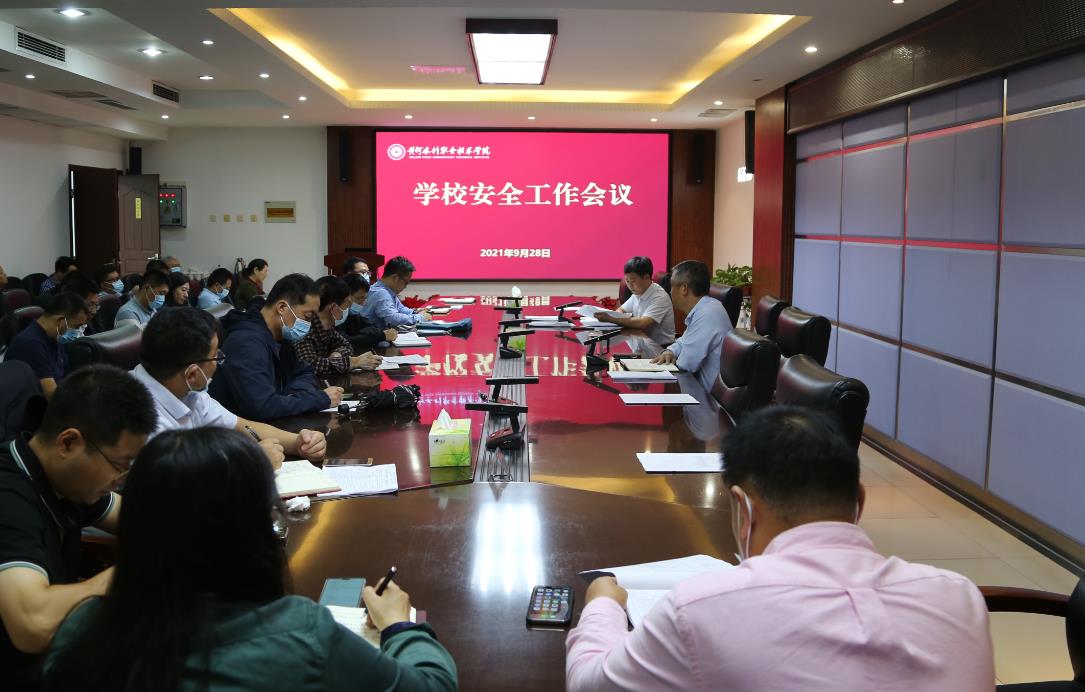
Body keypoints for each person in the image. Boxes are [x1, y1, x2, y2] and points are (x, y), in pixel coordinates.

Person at [565, 405, 994, 691]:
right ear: (859, 502)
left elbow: (588, 683)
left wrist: (604, 603)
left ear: (742, 509)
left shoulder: (698, 609)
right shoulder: (960, 598)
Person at [41, 427, 458, 692]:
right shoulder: (301, 635)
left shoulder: (81, 630)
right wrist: (400, 626)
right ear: (253, 529)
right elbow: (433, 685)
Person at [0, 365, 156, 692]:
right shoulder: (9, 497)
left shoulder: (64, 477)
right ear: (69, 442)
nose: (120, 480)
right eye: (119, 466)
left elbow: (140, 519)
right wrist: (137, 570)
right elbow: (32, 624)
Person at [132, 307, 327, 469]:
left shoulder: (185, 387)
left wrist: (300, 442)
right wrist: (251, 463)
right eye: (216, 356)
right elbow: (175, 488)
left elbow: (241, 426)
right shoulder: (138, 418)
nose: (219, 362)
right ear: (192, 374)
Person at [209, 273, 344, 421]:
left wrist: (293, 396)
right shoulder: (245, 343)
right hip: (244, 430)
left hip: (274, 421)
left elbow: (305, 371)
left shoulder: (279, 335)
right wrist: (319, 399)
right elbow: (263, 406)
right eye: (307, 316)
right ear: (282, 308)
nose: (309, 324)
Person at [651, 260, 731, 393]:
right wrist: (670, 351)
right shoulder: (704, 308)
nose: (670, 292)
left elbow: (686, 364)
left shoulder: (707, 314)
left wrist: (675, 356)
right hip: (694, 390)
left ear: (684, 289)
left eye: (672, 287)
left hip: (704, 398)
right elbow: (683, 341)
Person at [296, 276, 383, 378]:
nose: (347, 309)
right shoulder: (305, 329)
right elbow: (311, 366)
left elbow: (347, 345)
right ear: (333, 307)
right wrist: (354, 362)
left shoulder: (327, 327)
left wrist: (337, 354)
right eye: (346, 305)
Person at [5, 293, 87, 398]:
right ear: (60, 321)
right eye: (76, 326)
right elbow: (51, 395)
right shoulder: (31, 344)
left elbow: (67, 377)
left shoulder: (54, 338)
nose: (78, 331)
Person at [595, 256, 675, 354]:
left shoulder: (659, 297)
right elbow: (621, 310)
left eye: (633, 281)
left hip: (661, 350)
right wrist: (615, 316)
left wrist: (611, 318)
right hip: (642, 341)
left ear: (646, 277)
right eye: (627, 281)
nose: (629, 285)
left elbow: (642, 323)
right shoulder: (638, 292)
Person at [361, 256, 431, 329]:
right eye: (405, 282)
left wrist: (415, 312)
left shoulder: (387, 290)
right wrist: (420, 317)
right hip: (372, 335)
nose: (405, 287)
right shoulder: (381, 293)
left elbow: (400, 309)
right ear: (395, 278)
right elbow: (392, 319)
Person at [340, 273, 399, 351]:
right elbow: (345, 341)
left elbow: (373, 328)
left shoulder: (354, 315)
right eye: (359, 298)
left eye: (364, 298)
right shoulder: (336, 316)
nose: (363, 303)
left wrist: (374, 335)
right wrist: (382, 336)